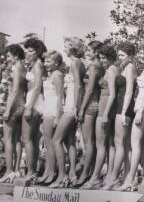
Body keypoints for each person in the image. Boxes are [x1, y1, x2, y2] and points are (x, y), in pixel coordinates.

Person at [120, 42, 144, 191]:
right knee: (142, 146)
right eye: (140, 53)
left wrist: (140, 110)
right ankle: (143, 179)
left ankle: (130, 179)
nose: (142, 56)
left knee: (135, 145)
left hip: (143, 108)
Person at [50, 38, 86, 188]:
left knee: (56, 140)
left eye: (66, 47)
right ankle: (71, 174)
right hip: (71, 105)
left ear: (72, 48)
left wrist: (76, 107)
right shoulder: (77, 63)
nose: (64, 49)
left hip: (71, 106)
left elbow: (78, 86)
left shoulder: (75, 62)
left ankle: (62, 176)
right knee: (70, 141)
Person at [82, 44, 118, 189]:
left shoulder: (112, 69)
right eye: (101, 58)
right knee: (105, 144)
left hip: (105, 110)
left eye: (104, 58)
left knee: (101, 145)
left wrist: (105, 115)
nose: (102, 60)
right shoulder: (108, 69)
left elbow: (113, 94)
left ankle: (95, 178)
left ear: (110, 57)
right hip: (103, 108)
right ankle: (104, 176)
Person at [103, 41, 137, 190]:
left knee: (120, 143)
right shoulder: (125, 67)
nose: (120, 57)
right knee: (120, 143)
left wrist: (123, 112)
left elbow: (129, 90)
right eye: (119, 54)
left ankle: (113, 178)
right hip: (121, 106)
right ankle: (119, 177)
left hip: (125, 107)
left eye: (123, 55)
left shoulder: (130, 67)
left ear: (130, 56)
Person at [76, 42, 104, 187]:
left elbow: (89, 89)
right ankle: (89, 172)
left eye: (89, 50)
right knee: (91, 141)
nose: (87, 52)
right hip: (96, 104)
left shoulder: (94, 66)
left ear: (95, 51)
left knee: (88, 142)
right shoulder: (101, 66)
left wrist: (81, 108)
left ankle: (85, 174)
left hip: (90, 105)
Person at [0, 44, 26, 183]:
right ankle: (15, 170)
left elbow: (14, 91)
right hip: (22, 105)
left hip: (14, 105)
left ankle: (9, 170)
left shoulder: (16, 68)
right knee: (16, 139)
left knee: (7, 139)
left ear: (15, 55)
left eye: (9, 56)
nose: (7, 58)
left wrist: (7, 110)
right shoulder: (23, 67)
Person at [37, 51, 64, 185]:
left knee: (50, 143)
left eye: (49, 61)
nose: (46, 64)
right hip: (47, 111)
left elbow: (60, 96)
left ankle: (52, 172)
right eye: (45, 61)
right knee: (47, 144)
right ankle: (48, 170)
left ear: (56, 62)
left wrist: (57, 117)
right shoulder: (50, 75)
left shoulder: (57, 75)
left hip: (53, 112)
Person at [22, 39, 46, 183]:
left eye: (31, 50)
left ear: (37, 52)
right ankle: (33, 172)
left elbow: (37, 87)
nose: (27, 52)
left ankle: (30, 172)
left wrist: (29, 106)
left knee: (27, 138)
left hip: (34, 100)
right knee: (34, 139)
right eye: (27, 50)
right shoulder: (36, 65)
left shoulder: (37, 66)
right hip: (36, 100)